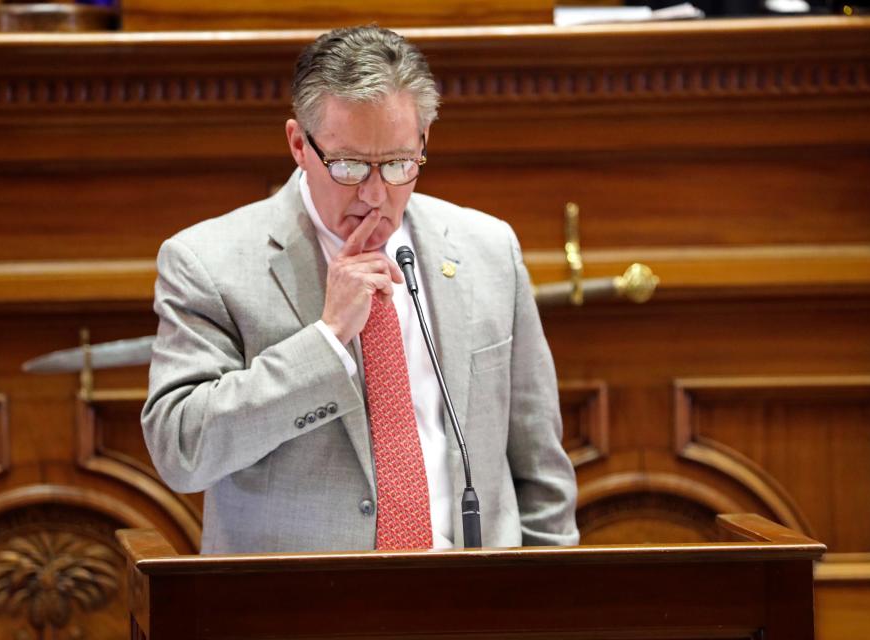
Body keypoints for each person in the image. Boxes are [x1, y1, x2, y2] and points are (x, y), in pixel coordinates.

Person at [141, 25, 578, 554]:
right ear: (299, 145)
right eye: (348, 165)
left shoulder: (488, 249)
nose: (375, 193)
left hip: (474, 601)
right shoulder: (208, 263)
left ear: (423, 143)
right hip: (304, 611)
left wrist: (547, 598)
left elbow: (540, 465)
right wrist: (325, 341)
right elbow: (181, 450)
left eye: (397, 164)